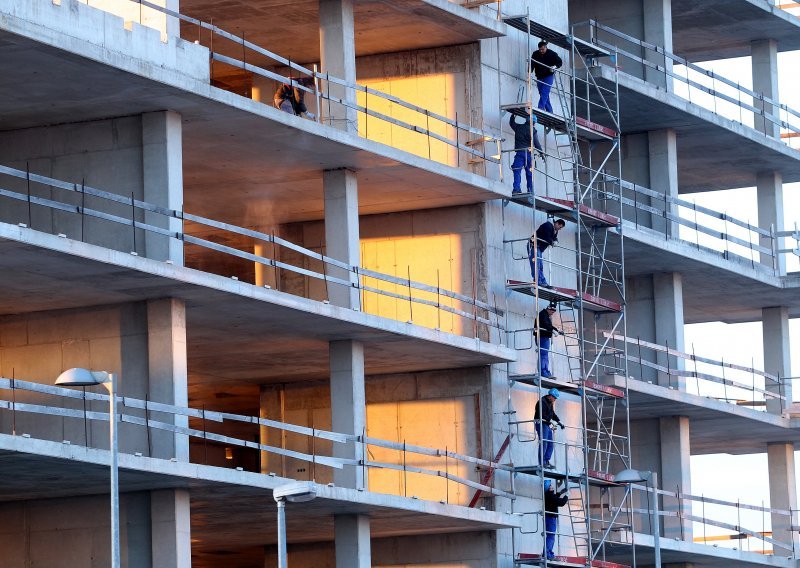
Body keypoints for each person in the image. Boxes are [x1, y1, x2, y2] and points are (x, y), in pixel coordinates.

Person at [509, 113, 545, 195]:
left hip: (520, 153)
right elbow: (537, 144)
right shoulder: (533, 131)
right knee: (529, 173)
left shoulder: (519, 127)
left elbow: (512, 123)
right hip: (528, 154)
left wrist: (513, 115)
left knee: (517, 170)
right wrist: (542, 153)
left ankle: (516, 189)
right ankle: (530, 190)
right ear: (534, 122)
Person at [528, 219, 565, 286]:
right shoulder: (548, 226)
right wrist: (552, 242)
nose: (560, 229)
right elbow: (546, 237)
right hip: (533, 246)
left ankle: (542, 281)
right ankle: (538, 281)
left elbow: (553, 238)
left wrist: (555, 241)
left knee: (540, 266)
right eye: (560, 227)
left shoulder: (554, 230)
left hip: (538, 248)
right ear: (556, 223)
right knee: (536, 264)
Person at [535, 387, 564, 469]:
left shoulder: (550, 403)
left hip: (546, 425)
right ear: (550, 396)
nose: (555, 399)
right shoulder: (542, 402)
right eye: (554, 397)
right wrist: (550, 420)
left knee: (551, 443)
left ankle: (546, 461)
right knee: (544, 443)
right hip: (541, 424)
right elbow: (542, 414)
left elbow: (552, 414)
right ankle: (542, 462)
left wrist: (559, 421)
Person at [530, 40, 563, 113]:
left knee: (544, 92)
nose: (541, 51)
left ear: (546, 47)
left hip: (548, 76)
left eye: (543, 49)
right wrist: (529, 71)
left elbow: (560, 62)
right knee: (543, 94)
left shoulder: (552, 54)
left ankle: (540, 108)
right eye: (540, 49)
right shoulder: (535, 54)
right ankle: (550, 111)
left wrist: (554, 67)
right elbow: (532, 63)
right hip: (539, 76)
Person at [543, 479, 569, 559]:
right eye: (550, 486)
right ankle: (548, 553)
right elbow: (560, 502)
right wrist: (566, 496)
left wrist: (560, 493)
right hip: (551, 518)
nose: (552, 486)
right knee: (551, 536)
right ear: (548, 488)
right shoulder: (550, 496)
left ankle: (547, 552)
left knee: (549, 536)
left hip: (548, 517)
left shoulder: (547, 495)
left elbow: (554, 497)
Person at [536, 306, 561, 380]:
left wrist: (557, 330)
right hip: (542, 337)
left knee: (545, 355)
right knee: (543, 355)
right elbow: (546, 325)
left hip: (544, 337)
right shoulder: (543, 314)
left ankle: (546, 371)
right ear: (549, 309)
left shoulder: (545, 315)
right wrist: (553, 330)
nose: (552, 314)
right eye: (552, 312)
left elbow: (549, 325)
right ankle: (543, 372)